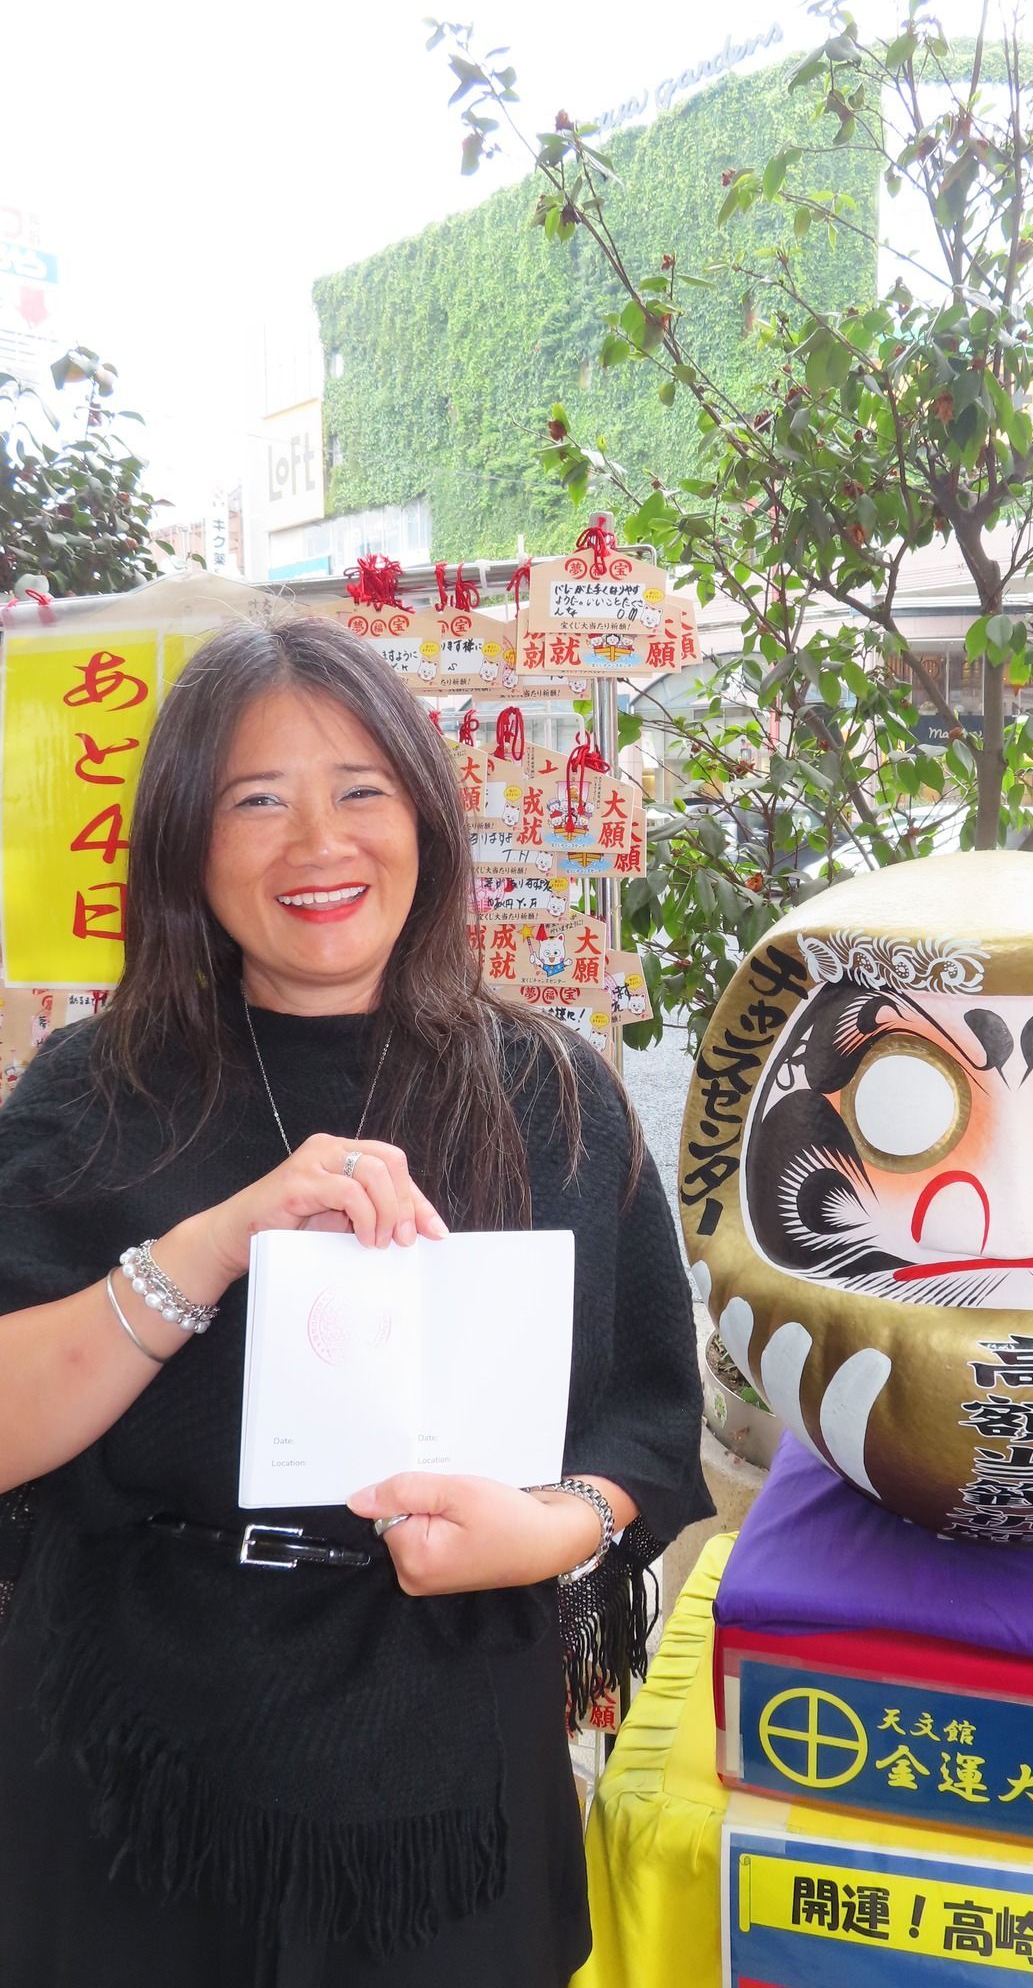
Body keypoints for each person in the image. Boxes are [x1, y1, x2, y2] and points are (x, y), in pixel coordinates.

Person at [0, 619, 713, 1987]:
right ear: (185, 849)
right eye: (255, 801)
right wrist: (206, 1247)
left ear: (427, 823)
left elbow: (643, 1435)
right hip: (120, 1765)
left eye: (360, 791)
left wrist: (545, 1531)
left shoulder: (549, 1092)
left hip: (445, 1765)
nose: (315, 844)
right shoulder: (94, 1092)